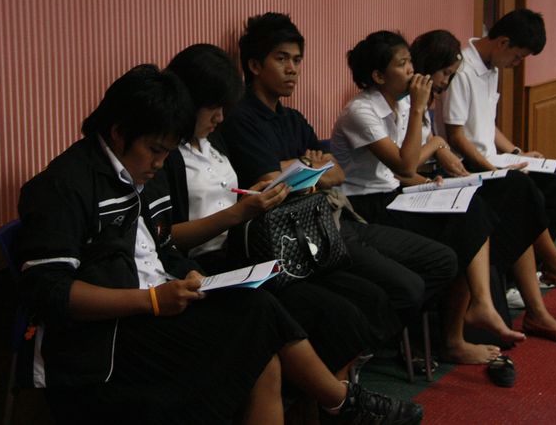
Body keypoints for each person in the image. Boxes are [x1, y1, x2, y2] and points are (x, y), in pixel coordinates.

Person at [16, 65, 423, 424]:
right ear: (119, 132)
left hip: (158, 304)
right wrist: (152, 301)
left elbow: (160, 246)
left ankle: (340, 403)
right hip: (106, 339)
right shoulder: (63, 186)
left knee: (260, 331)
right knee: (257, 323)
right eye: (154, 150)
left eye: (167, 152)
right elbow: (50, 292)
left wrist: (191, 276)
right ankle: (341, 402)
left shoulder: (140, 172)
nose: (159, 163)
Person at [330, 31, 556, 363]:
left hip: (395, 193)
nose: (411, 70)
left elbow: (404, 171)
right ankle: (458, 331)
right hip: (364, 207)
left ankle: (477, 310)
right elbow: (404, 164)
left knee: (471, 204)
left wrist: (430, 180)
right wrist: (420, 113)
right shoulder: (361, 111)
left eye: (410, 62)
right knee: (461, 224)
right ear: (378, 76)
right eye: (402, 64)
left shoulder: (400, 104)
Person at [220, 12, 458, 352]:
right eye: (282, 59)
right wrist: (308, 166)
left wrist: (300, 169)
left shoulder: (292, 117)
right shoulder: (241, 118)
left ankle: (362, 347)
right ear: (255, 66)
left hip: (331, 219)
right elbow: (271, 180)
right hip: (292, 237)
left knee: (442, 260)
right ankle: (356, 352)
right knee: (402, 287)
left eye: (297, 60)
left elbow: (336, 173)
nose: (293, 69)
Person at [162, 43, 400, 382]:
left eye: (223, 108)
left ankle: (335, 395)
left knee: (362, 297)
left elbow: (231, 198)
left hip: (250, 250)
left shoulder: (213, 141)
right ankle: (335, 400)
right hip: (208, 264)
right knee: (331, 312)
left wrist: (256, 194)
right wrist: (239, 213)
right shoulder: (168, 154)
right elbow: (166, 237)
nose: (220, 118)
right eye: (213, 108)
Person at [440, 9, 556, 292]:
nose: (516, 64)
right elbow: (456, 137)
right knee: (526, 192)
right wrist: (493, 169)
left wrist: (516, 152)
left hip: (491, 159)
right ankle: (546, 264)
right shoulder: (462, 71)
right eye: (517, 57)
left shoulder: (491, 67)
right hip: (466, 165)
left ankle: (530, 274)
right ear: (503, 42)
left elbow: (487, 124)